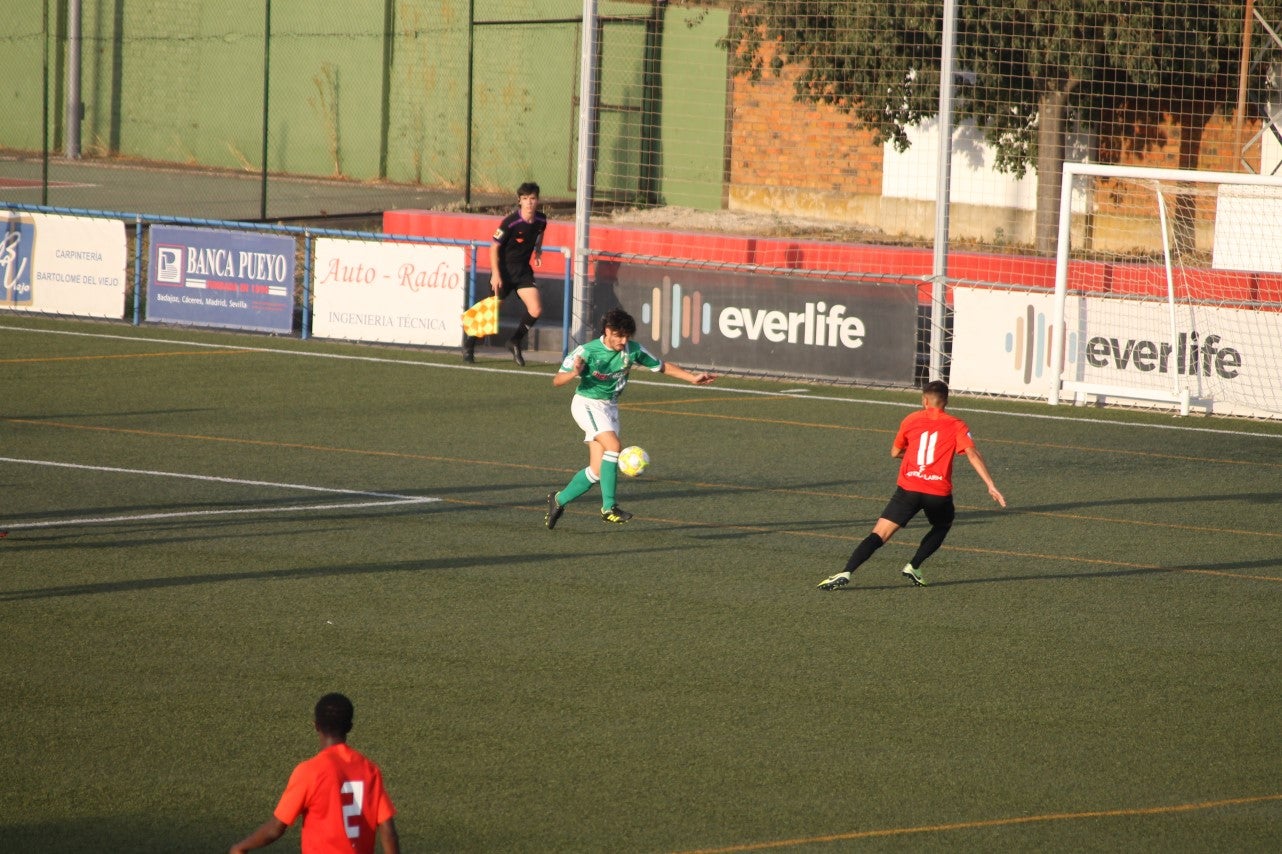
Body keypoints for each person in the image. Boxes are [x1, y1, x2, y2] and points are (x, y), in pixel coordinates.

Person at [817, 380, 1005, 589]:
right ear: (946, 402)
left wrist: (914, 461)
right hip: (937, 492)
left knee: (879, 534)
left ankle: (846, 571)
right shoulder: (957, 424)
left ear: (924, 400)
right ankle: (914, 565)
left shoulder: (911, 419)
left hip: (908, 489)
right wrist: (990, 485)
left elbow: (895, 453)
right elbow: (972, 453)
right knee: (942, 525)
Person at [545, 307, 716, 528]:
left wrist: (692, 378)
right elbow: (557, 381)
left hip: (610, 408)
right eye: (619, 335)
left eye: (627, 336)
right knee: (614, 447)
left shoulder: (632, 350)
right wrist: (574, 373)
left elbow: (661, 366)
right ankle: (609, 507)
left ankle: (558, 499)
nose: (623, 340)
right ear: (607, 331)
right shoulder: (586, 352)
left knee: (597, 471)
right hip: (587, 404)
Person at [230, 693, 399, 854]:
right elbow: (388, 829)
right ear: (349, 727)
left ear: (316, 725)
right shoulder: (369, 769)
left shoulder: (310, 771)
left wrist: (241, 846)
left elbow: (276, 828)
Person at [463, 181, 547, 365]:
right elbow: (494, 247)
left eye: (532, 198)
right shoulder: (511, 222)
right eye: (525, 199)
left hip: (523, 271)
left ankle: (514, 341)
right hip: (504, 271)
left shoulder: (541, 219)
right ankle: (469, 345)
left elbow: (540, 233)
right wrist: (496, 274)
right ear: (519, 201)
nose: (529, 202)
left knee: (536, 308)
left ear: (537, 200)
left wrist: (538, 250)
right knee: (491, 313)